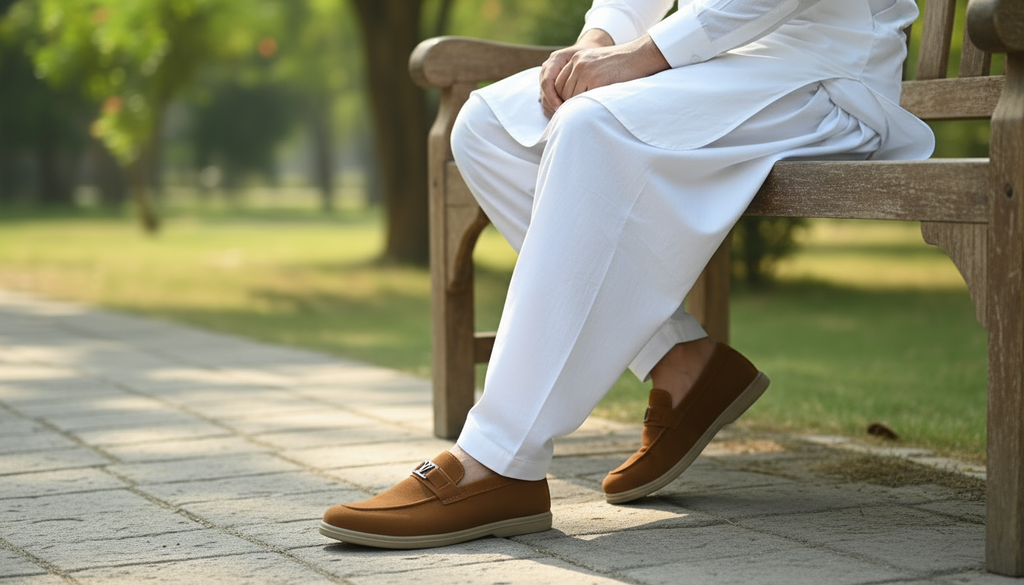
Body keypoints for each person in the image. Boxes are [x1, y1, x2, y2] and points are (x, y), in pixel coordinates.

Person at [320, 0, 935, 549]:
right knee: (488, 126)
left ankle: (499, 460)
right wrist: (597, 42)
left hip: (821, 74)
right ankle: (681, 364)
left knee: (593, 126)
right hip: (714, 61)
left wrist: (644, 55)